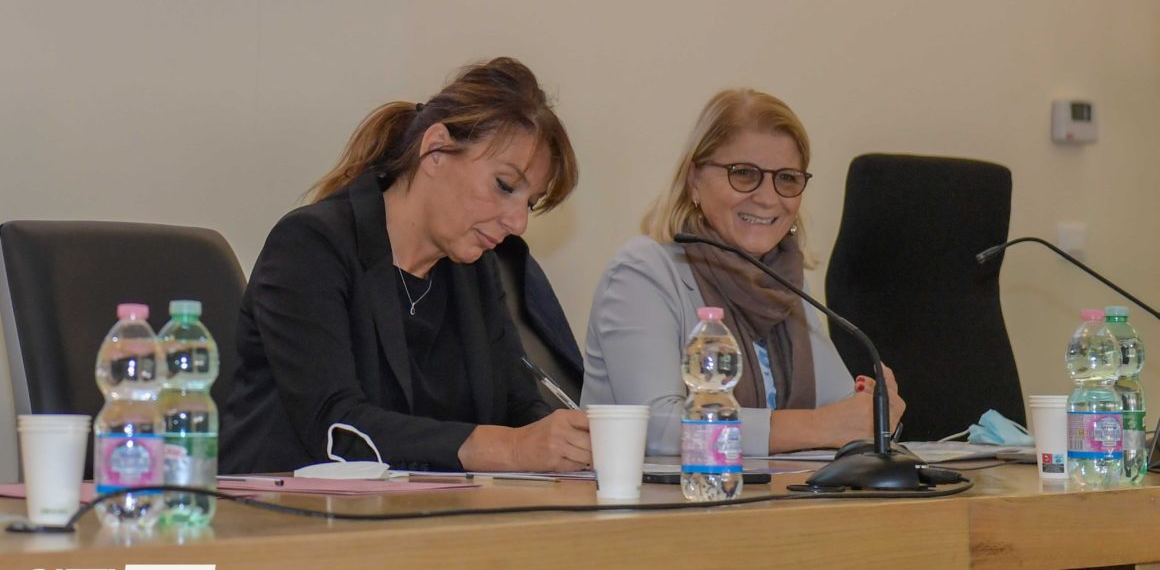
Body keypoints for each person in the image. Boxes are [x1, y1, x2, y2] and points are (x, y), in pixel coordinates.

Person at [220, 57, 591, 473]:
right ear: (435, 150)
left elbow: (517, 405)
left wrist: (571, 445)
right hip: (283, 504)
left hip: (422, 508)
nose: (518, 222)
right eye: (504, 186)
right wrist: (510, 449)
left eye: (530, 203)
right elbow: (335, 425)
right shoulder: (310, 245)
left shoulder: (475, 269)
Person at [581, 88, 905, 457]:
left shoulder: (784, 280)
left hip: (772, 491)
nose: (767, 198)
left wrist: (874, 411)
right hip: (664, 494)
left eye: (786, 178)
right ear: (695, 180)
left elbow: (842, 411)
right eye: (744, 174)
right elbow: (655, 427)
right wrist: (819, 426)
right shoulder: (643, 273)